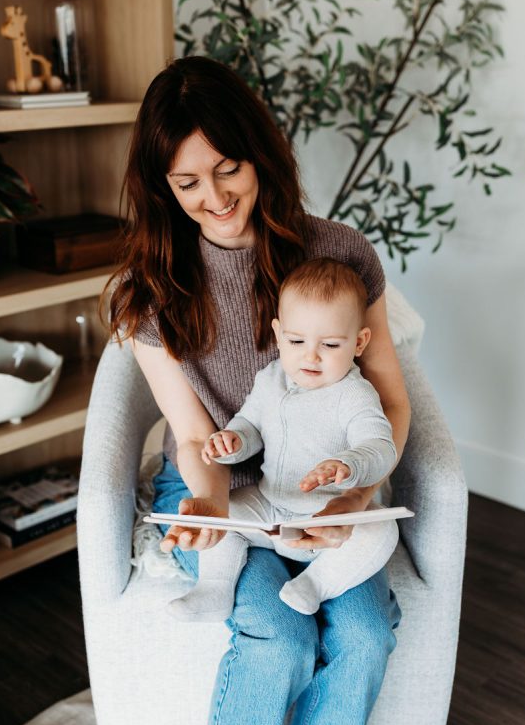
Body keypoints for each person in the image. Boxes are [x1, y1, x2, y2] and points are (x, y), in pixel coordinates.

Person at [106, 56, 410, 725]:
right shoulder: (155, 290)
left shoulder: (337, 253)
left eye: (227, 169)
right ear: (162, 186)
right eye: (187, 181)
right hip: (225, 482)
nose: (214, 196)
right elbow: (196, 438)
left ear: (260, 153)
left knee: (360, 634)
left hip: (328, 483)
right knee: (272, 640)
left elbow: (386, 399)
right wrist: (206, 502)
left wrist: (354, 494)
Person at [168, 256, 399, 622]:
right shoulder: (270, 378)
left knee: (382, 531)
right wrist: (233, 441)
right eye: (296, 340)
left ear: (359, 342)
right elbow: (250, 425)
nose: (311, 355)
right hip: (268, 507)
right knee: (224, 516)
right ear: (278, 334)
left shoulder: (355, 394)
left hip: (326, 522)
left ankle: (315, 585)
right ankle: (213, 590)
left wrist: (350, 465)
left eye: (331, 345)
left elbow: (382, 448)